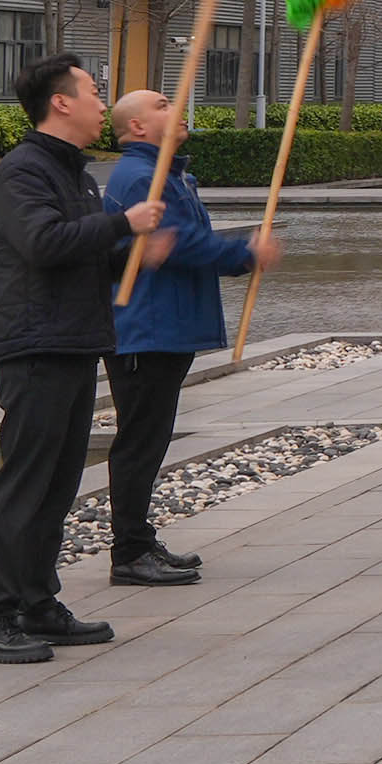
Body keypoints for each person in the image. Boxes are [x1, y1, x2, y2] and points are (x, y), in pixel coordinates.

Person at [0, 50, 172, 664]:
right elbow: (42, 243)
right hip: (35, 346)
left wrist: (134, 250)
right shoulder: (23, 172)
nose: (101, 102)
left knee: (57, 486)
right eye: (91, 91)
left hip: (76, 341)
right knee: (26, 483)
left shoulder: (76, 175)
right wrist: (121, 225)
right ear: (61, 101)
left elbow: (84, 253)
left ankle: (38, 602)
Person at [95, 90, 254, 589]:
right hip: (145, 329)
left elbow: (180, 241)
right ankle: (129, 550)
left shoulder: (168, 172)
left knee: (151, 436)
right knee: (140, 440)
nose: (178, 110)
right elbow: (181, 243)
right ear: (138, 126)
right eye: (164, 105)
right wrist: (246, 253)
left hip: (164, 327)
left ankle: (139, 539)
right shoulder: (143, 176)